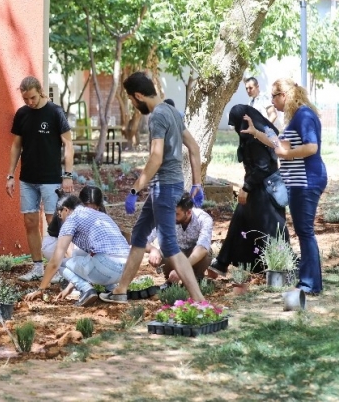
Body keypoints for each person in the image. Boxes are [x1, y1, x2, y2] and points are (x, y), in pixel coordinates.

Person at [100, 72, 206, 304]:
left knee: (168, 244)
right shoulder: (173, 113)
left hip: (165, 189)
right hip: (169, 185)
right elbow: (195, 148)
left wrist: (134, 190)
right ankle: (121, 291)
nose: (133, 105)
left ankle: (199, 299)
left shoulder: (157, 116)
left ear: (138, 95)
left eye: (131, 100)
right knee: (139, 234)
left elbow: (156, 157)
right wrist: (197, 183)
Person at [247, 78, 326, 295]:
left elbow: (311, 147)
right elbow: (278, 145)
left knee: (305, 231)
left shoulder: (304, 115)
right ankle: (309, 280)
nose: (272, 101)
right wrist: (256, 132)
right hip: (299, 181)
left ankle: (310, 284)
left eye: (274, 96)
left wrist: (287, 154)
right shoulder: (296, 118)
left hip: (306, 181)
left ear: (285, 95)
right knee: (304, 231)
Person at [6, 76, 74, 281]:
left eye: (33, 98)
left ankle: (60, 268)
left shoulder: (55, 112)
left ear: (41, 91)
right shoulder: (22, 114)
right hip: (27, 178)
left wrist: (68, 175)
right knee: (30, 221)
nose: (30, 102)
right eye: (25, 99)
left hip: (50, 178)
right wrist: (10, 174)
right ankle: (37, 267)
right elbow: (16, 145)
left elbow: (68, 144)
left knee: (54, 223)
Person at [208, 104, 289, 276]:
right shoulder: (255, 132)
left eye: (236, 124)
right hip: (258, 188)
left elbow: (263, 166)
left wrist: (246, 187)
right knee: (240, 222)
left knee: (271, 231)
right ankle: (222, 263)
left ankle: (281, 268)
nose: (236, 128)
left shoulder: (254, 138)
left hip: (264, 190)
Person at [23, 195, 131, 307]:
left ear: (65, 210)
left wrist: (40, 289)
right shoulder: (100, 215)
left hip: (107, 267)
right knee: (81, 255)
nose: (61, 219)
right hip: (126, 271)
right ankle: (112, 290)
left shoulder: (71, 219)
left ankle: (87, 290)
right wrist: (70, 288)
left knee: (60, 263)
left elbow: (55, 262)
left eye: (60, 215)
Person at [147, 193, 213, 284]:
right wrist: (152, 249)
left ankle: (196, 279)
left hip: (193, 257)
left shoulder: (204, 219)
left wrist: (183, 268)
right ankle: (171, 281)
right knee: (164, 251)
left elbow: (203, 247)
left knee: (206, 253)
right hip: (175, 255)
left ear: (189, 212)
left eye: (176, 214)